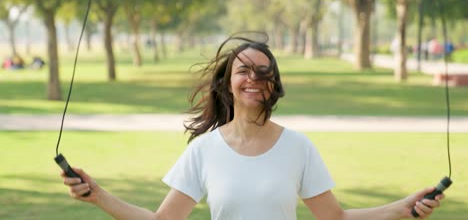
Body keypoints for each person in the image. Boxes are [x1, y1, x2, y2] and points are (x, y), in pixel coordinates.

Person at [60, 33, 445, 219]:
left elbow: (337, 218)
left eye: (264, 72)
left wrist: (403, 207)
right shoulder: (204, 150)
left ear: (274, 85)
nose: (253, 79)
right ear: (228, 81)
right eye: (244, 70)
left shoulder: (297, 146)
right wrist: (98, 195)